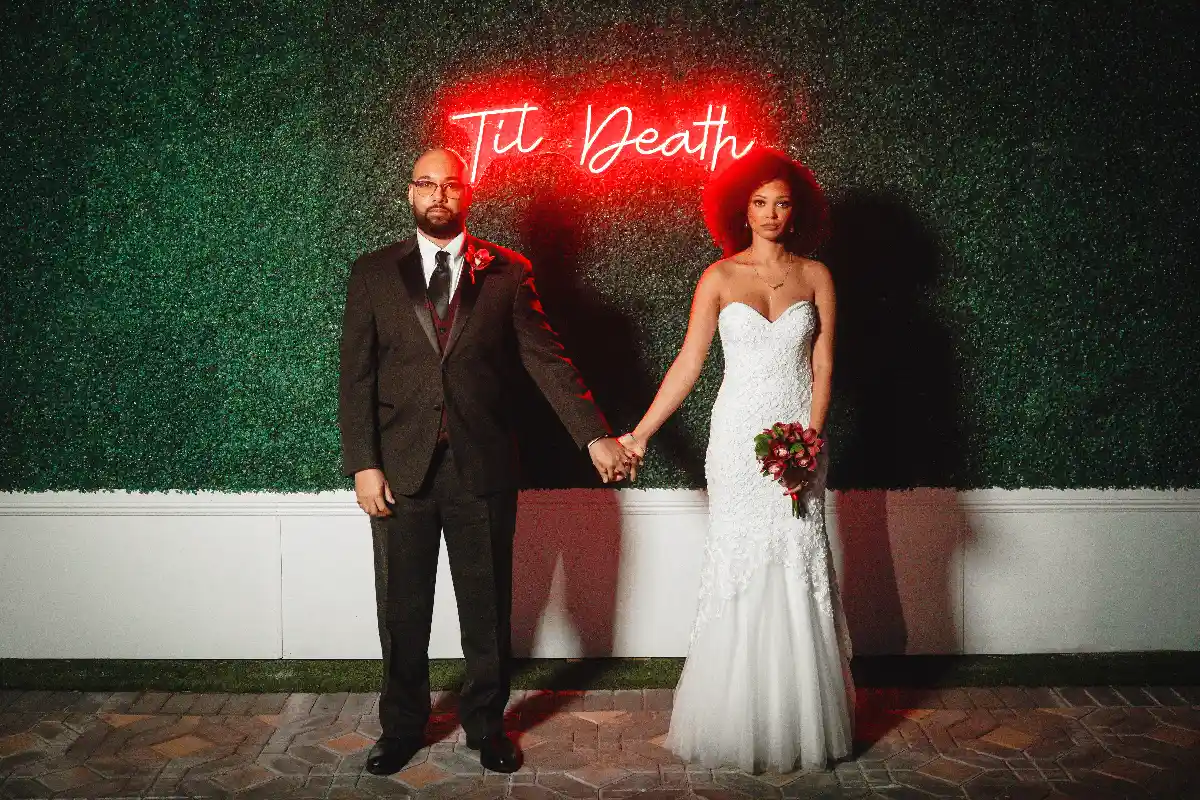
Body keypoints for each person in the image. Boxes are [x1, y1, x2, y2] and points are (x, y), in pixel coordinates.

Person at [338, 148, 636, 775]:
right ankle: (400, 729)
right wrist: (364, 464)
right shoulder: (371, 273)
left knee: (488, 608)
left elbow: (547, 362)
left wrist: (594, 437)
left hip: (483, 471)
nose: (439, 194)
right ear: (410, 192)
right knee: (402, 608)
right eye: (427, 183)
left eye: (451, 184)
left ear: (467, 193)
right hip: (400, 471)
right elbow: (355, 378)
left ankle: (485, 726)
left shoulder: (507, 271)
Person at [619, 148, 853, 772]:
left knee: (797, 560)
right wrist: (639, 435)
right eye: (759, 202)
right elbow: (690, 364)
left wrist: (810, 440)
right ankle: (732, 719)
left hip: (799, 439)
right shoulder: (718, 278)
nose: (772, 213)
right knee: (741, 564)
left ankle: (797, 720)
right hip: (737, 445)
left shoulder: (816, 276)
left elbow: (824, 364)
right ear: (740, 209)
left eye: (782, 203)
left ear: (795, 210)